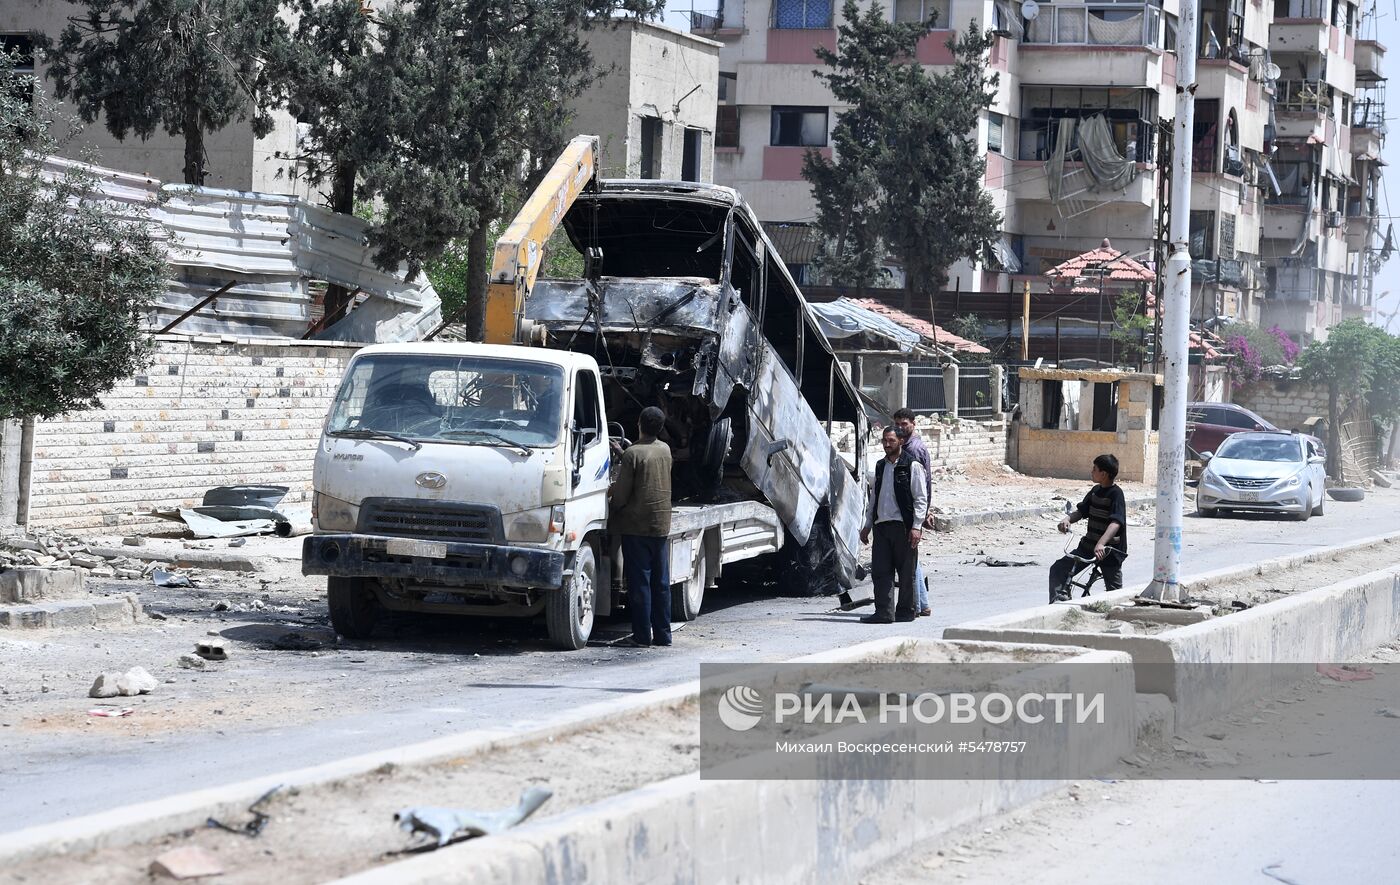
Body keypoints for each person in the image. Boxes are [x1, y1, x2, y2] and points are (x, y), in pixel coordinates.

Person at [609, 406, 674, 647]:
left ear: (639, 424)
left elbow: (622, 495)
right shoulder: (665, 450)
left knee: (640, 584)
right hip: (660, 525)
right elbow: (649, 467)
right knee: (660, 583)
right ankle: (664, 635)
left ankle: (642, 636)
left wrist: (613, 506)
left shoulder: (632, 454)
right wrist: (625, 453)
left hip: (636, 527)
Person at [859, 425, 929, 624]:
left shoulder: (912, 466)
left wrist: (916, 526)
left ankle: (906, 612)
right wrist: (867, 525)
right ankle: (884, 613)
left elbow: (920, 499)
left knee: (906, 572)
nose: (887, 444)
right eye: (884, 441)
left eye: (891, 441)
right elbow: (874, 497)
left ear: (901, 442)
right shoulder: (881, 466)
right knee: (881, 572)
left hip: (903, 528)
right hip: (881, 527)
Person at [1048, 453, 1127, 604]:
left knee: (1115, 593)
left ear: (1103, 474)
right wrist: (1067, 519)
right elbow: (1082, 511)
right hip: (1088, 546)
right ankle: (1057, 604)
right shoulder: (1095, 491)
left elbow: (1116, 523)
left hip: (1109, 551)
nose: (1092, 471)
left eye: (1094, 469)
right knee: (1058, 569)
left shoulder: (1116, 494)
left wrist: (1101, 544)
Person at [892, 408, 935, 617]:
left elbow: (922, 485)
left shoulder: (914, 449)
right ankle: (923, 603)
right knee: (911, 558)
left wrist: (921, 514)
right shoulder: (906, 446)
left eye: (904, 424)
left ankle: (917, 605)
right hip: (910, 512)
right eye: (897, 424)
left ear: (913, 424)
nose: (900, 427)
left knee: (908, 558)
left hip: (910, 513)